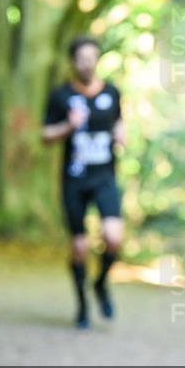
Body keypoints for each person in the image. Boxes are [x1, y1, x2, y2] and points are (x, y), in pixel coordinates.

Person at [42, 37, 125, 329]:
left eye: (92, 58)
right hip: (74, 180)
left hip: (104, 177)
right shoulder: (61, 96)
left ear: (98, 59)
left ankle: (100, 283)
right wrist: (69, 125)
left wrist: (121, 133)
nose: (87, 63)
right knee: (79, 246)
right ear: (73, 62)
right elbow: (45, 135)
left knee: (114, 237)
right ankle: (82, 305)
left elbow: (118, 120)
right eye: (81, 58)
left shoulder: (112, 92)